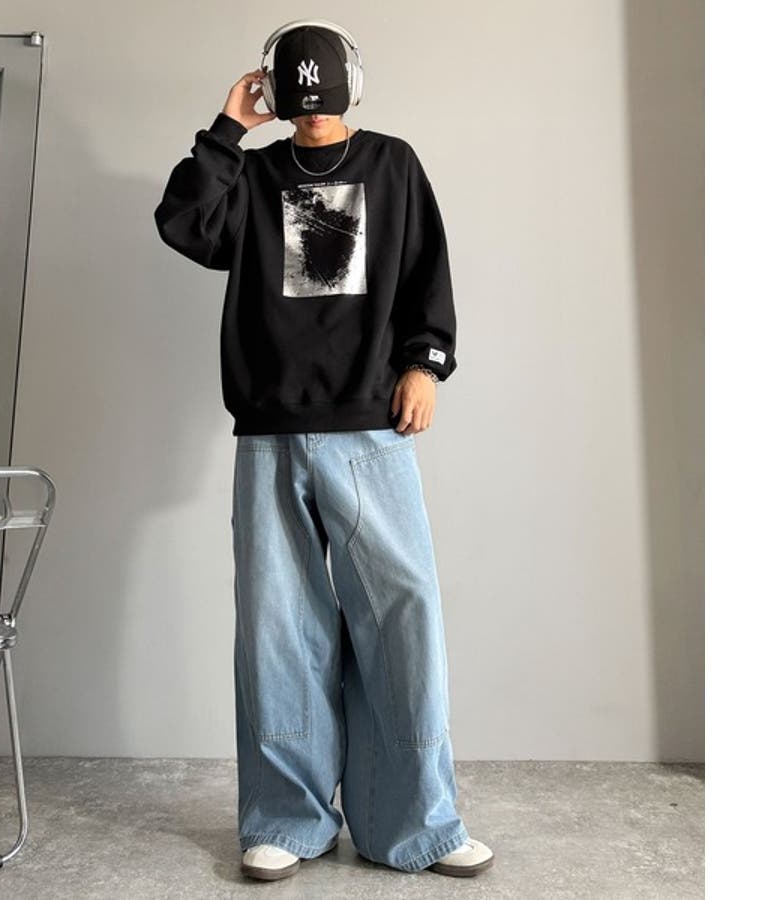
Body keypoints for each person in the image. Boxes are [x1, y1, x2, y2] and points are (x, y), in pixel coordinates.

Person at [153, 21, 494, 882]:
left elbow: (427, 271)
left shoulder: (392, 164)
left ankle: (416, 822)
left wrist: (425, 364)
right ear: (277, 95)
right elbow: (185, 226)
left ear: (352, 90)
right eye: (298, 103)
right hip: (271, 428)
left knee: (403, 616)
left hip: (372, 426)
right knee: (278, 627)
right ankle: (286, 818)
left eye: (325, 101)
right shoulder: (254, 175)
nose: (314, 116)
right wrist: (227, 131)